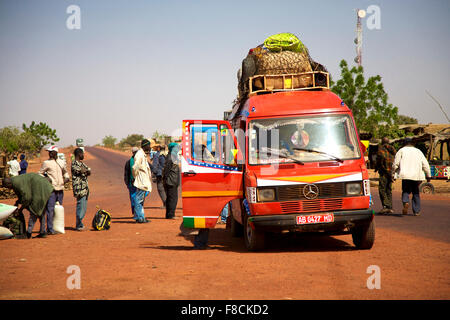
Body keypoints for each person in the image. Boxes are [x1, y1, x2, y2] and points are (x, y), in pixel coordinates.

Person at [1, 173, 54, 238]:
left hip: (41, 190)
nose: (8, 189)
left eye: (7, 187)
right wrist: (17, 203)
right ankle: (43, 232)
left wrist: (21, 209)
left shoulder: (17, 183)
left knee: (34, 211)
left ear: (9, 184)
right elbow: (22, 195)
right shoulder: (15, 181)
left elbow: (27, 198)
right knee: (41, 212)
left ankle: (28, 233)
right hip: (45, 188)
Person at [392, 137, 432, 216]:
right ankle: (416, 211)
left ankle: (406, 202)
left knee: (406, 190)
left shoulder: (401, 150)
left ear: (404, 143)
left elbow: (395, 164)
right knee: (416, 192)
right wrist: (428, 175)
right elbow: (425, 164)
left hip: (405, 175)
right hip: (416, 175)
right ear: (412, 143)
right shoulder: (418, 151)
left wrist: (393, 174)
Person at [38, 145, 69, 235]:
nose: (50, 154)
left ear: (56, 153)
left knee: (59, 209)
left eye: (51, 152)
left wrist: (66, 178)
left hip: (60, 189)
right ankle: (50, 229)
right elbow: (40, 173)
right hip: (52, 189)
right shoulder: (46, 163)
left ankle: (58, 227)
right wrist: (47, 178)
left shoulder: (61, 162)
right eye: (49, 152)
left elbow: (65, 172)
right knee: (50, 209)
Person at [132, 139, 153, 223]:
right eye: (149, 146)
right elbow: (135, 168)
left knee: (140, 200)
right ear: (145, 146)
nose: (150, 147)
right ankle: (139, 218)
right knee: (138, 200)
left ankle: (140, 217)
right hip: (141, 182)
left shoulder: (142, 155)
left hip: (144, 182)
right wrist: (136, 177)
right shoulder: (139, 155)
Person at [375, 137, 396, 214]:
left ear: (382, 142)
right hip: (391, 173)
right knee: (388, 190)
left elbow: (379, 161)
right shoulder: (392, 150)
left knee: (382, 189)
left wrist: (376, 168)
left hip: (384, 173)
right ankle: (390, 207)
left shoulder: (381, 150)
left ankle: (386, 206)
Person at [71, 148, 91, 231]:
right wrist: (85, 171)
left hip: (85, 188)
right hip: (79, 188)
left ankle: (79, 224)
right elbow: (82, 171)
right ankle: (79, 225)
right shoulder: (74, 164)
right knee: (80, 206)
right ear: (79, 154)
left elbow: (88, 171)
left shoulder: (82, 163)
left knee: (83, 207)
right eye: (82, 154)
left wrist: (86, 171)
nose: (83, 155)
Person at [163, 143, 181, 219]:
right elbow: (166, 171)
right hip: (171, 181)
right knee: (173, 199)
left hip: (172, 181)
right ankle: (171, 215)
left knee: (170, 198)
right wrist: (166, 180)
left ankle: (169, 214)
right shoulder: (170, 157)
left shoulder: (173, 156)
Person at [124, 147, 139, 216]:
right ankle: (136, 213)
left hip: (140, 183)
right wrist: (127, 183)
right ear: (133, 153)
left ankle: (137, 212)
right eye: (135, 152)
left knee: (139, 198)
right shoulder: (129, 162)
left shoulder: (140, 160)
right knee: (133, 198)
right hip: (132, 183)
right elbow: (126, 173)